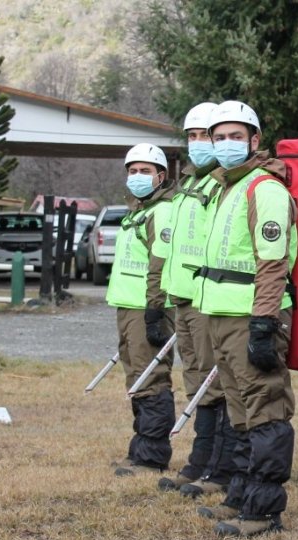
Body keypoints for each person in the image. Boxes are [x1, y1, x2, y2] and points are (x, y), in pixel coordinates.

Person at [192, 100, 298, 538]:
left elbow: (271, 262)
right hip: (220, 314)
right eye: (219, 137)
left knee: (265, 409)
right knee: (240, 412)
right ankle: (239, 495)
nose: (226, 144)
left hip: (251, 315)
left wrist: (264, 322)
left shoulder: (264, 188)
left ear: (255, 141)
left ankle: (263, 511)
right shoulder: (226, 186)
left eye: (236, 136)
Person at [150, 102, 239, 498]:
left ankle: (218, 467)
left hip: (208, 298)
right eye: (193, 136)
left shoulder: (219, 184)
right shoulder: (189, 185)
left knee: (213, 383)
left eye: (207, 135)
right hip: (183, 297)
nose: (200, 143)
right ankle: (201, 460)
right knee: (195, 381)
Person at [108, 143, 177, 477]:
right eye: (132, 171)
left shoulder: (160, 212)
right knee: (137, 378)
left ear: (160, 176)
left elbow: (159, 265)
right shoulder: (137, 211)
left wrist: (154, 309)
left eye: (145, 171)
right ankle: (140, 449)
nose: (137, 177)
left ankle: (152, 457)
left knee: (151, 379)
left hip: (147, 308)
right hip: (128, 306)